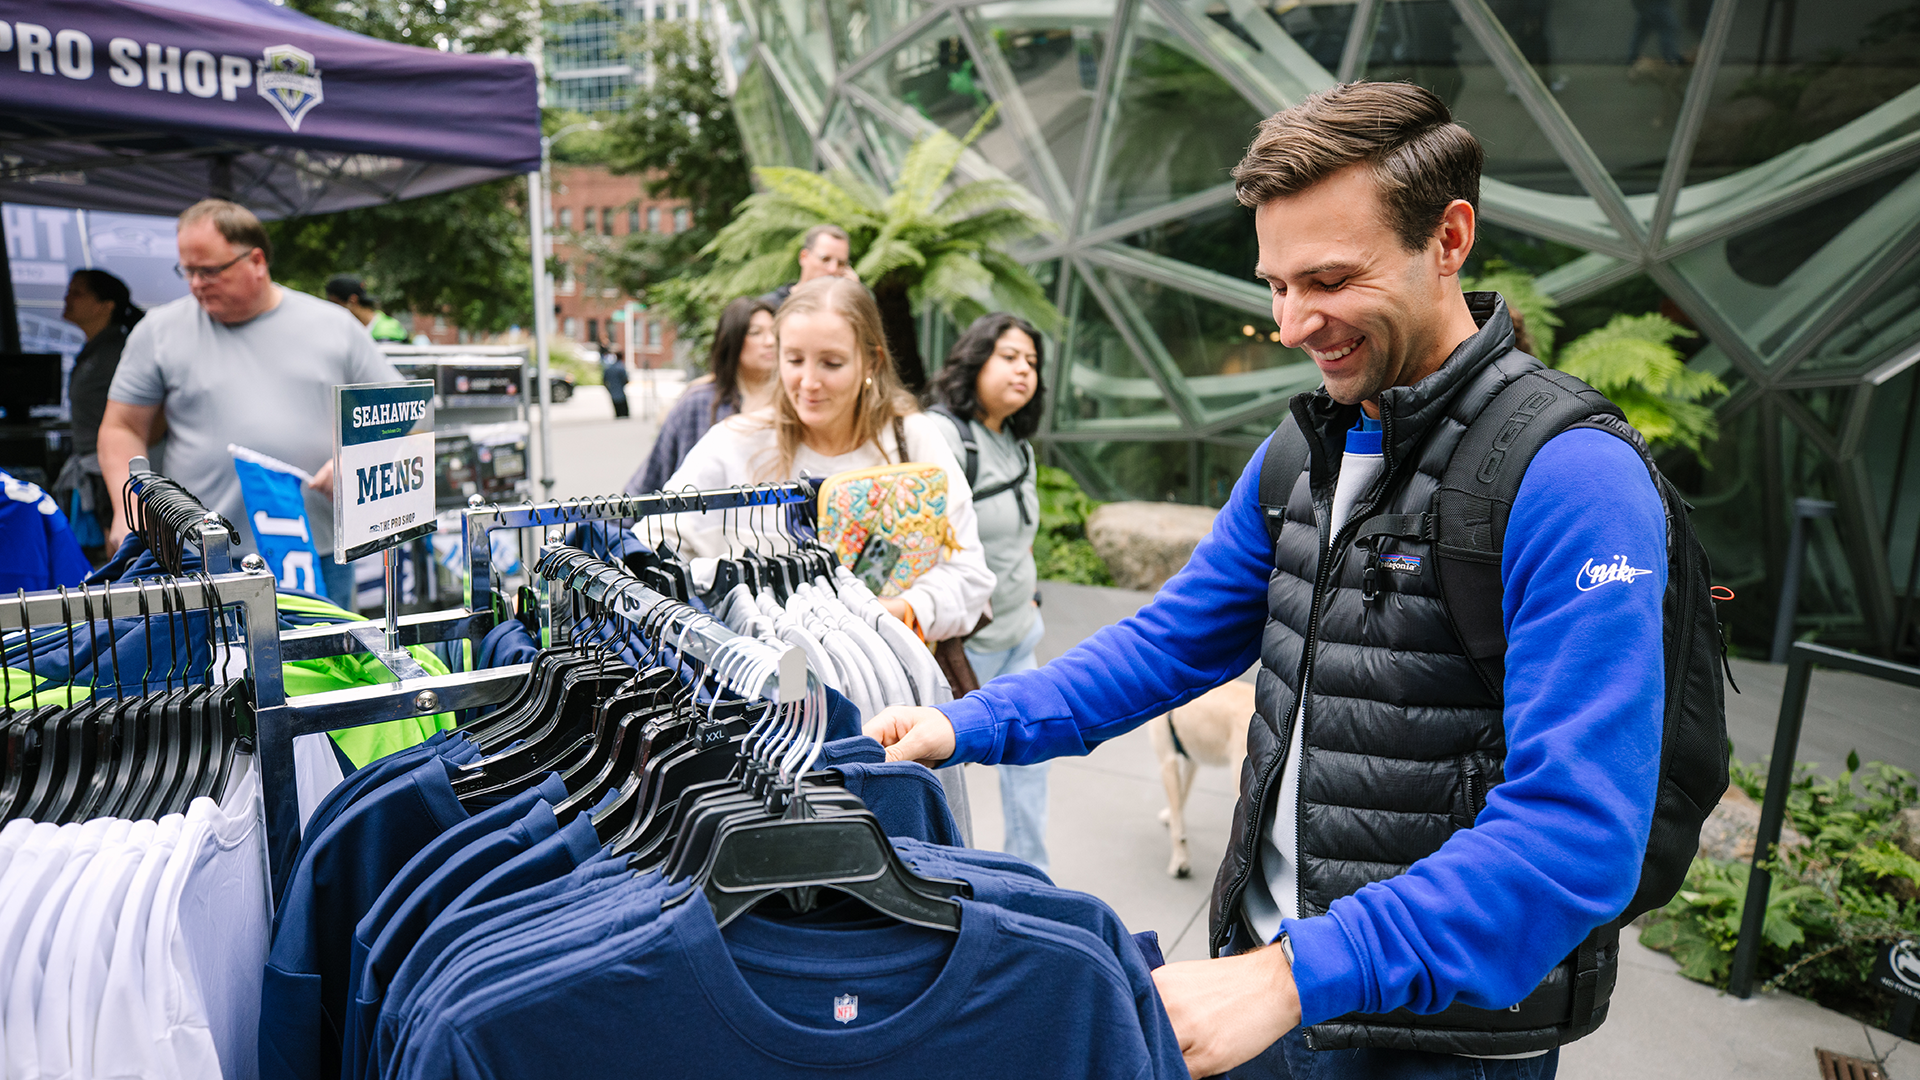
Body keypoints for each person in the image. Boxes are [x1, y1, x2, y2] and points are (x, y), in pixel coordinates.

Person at [869, 81, 1670, 1079]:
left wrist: (1299, 975)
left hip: (1427, 1040)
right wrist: (966, 725)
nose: (1292, 323)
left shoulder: (1572, 477)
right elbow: (1168, 645)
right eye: (1277, 284)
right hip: (1258, 993)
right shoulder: (1303, 456)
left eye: (1329, 279)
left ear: (1449, 237)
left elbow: (1576, 835)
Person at [100, 200, 402, 610]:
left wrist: (356, 457)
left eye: (208, 270)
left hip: (317, 550)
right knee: (210, 673)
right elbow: (122, 427)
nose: (195, 283)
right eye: (186, 270)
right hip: (199, 553)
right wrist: (127, 507)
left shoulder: (333, 326)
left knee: (321, 668)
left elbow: (402, 415)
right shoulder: (159, 331)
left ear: (256, 260)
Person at [664, 276, 993, 642]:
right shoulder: (733, 443)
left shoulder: (912, 438)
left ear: (871, 362)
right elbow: (655, 550)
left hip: (887, 685)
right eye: (794, 359)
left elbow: (969, 576)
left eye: (831, 363)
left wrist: (892, 612)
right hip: (760, 688)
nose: (808, 382)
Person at [927, 313, 1050, 871]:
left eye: (1031, 361)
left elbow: (1017, 536)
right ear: (975, 360)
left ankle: (1032, 877)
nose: (1023, 369)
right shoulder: (943, 435)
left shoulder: (1017, 446)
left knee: (1030, 766)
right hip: (965, 646)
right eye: (1009, 356)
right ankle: (953, 880)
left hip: (1019, 634)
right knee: (947, 771)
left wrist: (1027, 596)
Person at [624, 296, 778, 494]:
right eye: (755, 333)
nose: (770, 341)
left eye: (775, 332)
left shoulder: (794, 402)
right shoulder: (700, 402)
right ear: (733, 339)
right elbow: (652, 477)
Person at [55, 268, 143, 551]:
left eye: (77, 292)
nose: (67, 297)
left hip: (116, 470)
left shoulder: (118, 352)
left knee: (118, 548)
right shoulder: (95, 349)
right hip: (92, 470)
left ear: (106, 305)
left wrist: (133, 451)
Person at [761, 224, 855, 308]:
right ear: (804, 257)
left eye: (841, 264)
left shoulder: (844, 309)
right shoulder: (770, 306)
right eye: (825, 259)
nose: (833, 269)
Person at [324, 275, 410, 343]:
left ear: (352, 300)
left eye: (335, 303)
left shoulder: (387, 330)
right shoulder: (350, 328)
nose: (331, 309)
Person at [602, 348, 630, 419]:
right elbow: (626, 379)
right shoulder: (621, 367)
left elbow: (604, 380)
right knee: (624, 413)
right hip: (620, 392)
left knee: (617, 411)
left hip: (613, 391)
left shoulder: (609, 368)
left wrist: (608, 389)